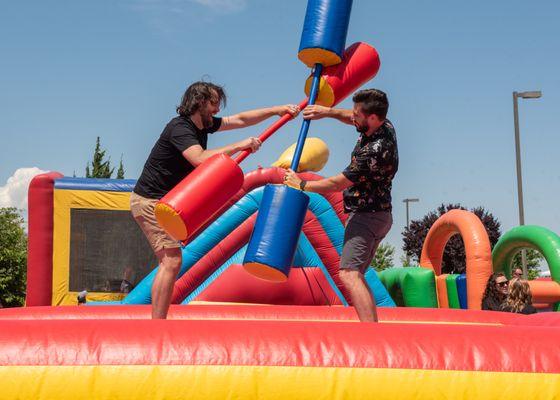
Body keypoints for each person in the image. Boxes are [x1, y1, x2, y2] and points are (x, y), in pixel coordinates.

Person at [132, 81, 300, 319]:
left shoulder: (204, 126)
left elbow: (240, 120)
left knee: (171, 261)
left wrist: (277, 110)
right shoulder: (180, 127)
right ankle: (157, 323)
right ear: (199, 102)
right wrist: (238, 145)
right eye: (213, 103)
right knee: (170, 261)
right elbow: (199, 158)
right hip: (150, 201)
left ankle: (159, 319)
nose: (217, 110)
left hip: (167, 201)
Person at [285, 89, 398, 322]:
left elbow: (338, 183)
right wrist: (326, 112)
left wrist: (302, 184)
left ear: (373, 118)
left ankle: (371, 333)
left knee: (348, 274)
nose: (353, 117)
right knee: (356, 274)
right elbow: (349, 116)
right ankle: (373, 327)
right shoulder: (385, 125)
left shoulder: (374, 152)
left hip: (367, 216)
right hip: (379, 215)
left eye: (358, 115)